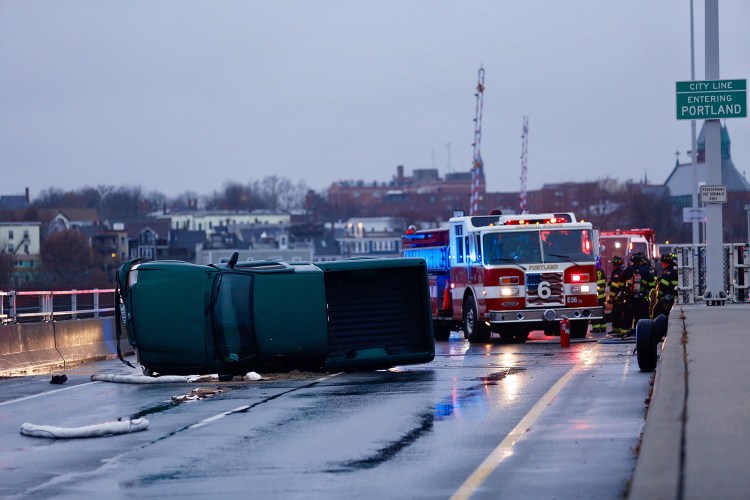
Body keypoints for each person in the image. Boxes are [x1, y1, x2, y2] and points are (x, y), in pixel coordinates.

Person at [620, 251, 655, 336]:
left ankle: (624, 333)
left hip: (629, 299)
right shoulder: (646, 271)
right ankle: (640, 333)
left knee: (627, 316)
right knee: (642, 317)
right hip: (643, 299)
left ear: (632, 261)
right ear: (641, 261)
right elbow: (652, 285)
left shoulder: (626, 271)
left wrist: (626, 292)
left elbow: (620, 285)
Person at [652, 252, 679, 318]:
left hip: (668, 297)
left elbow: (663, 286)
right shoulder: (675, 269)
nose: (663, 265)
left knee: (656, 311)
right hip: (674, 295)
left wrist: (659, 296)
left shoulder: (668, 271)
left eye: (664, 263)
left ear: (668, 263)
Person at [607, 255, 627, 334]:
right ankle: (616, 329)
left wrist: (612, 297)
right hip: (620, 296)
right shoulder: (620, 272)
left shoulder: (616, 274)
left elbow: (615, 287)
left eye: (613, 264)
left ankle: (618, 329)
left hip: (617, 297)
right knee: (616, 313)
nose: (612, 265)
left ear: (615, 265)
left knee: (616, 313)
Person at [591, 257, 608, 332]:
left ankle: (596, 328)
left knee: (594, 311)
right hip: (602, 295)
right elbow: (605, 283)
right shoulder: (601, 271)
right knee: (601, 311)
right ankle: (603, 327)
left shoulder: (592, 271)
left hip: (594, 295)